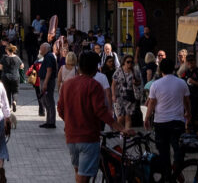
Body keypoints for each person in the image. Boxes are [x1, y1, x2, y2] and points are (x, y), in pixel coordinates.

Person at [57, 51, 130, 183]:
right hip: (88, 137)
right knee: (84, 176)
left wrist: (71, 121)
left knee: (78, 171)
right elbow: (101, 112)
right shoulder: (93, 85)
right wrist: (121, 128)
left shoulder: (67, 84)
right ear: (95, 67)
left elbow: (60, 109)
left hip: (71, 137)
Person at [145, 57, 190, 180]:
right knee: (178, 148)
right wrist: (188, 114)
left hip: (161, 122)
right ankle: (176, 167)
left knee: (163, 151)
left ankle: (167, 173)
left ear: (160, 70)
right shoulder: (182, 83)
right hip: (177, 121)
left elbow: (152, 104)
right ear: (173, 69)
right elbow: (187, 101)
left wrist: (146, 118)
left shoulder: (155, 84)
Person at [112, 55, 141, 131]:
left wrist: (135, 82)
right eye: (128, 62)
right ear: (124, 62)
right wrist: (113, 95)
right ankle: (121, 132)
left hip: (130, 96)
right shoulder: (119, 71)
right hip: (119, 96)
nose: (130, 64)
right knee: (120, 117)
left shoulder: (135, 71)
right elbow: (113, 84)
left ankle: (126, 134)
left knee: (128, 116)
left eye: (131, 62)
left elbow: (139, 82)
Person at [38, 43, 58, 129]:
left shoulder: (49, 57)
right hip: (45, 80)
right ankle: (48, 121)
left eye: (41, 48)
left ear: (45, 49)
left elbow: (49, 70)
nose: (40, 50)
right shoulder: (47, 56)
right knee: (45, 101)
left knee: (49, 101)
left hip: (48, 82)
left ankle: (51, 122)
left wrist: (45, 83)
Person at [0, 44, 23, 110]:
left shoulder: (4, 58)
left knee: (7, 92)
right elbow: (22, 66)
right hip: (15, 77)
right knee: (15, 91)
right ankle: (14, 101)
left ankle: (8, 106)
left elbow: (0, 67)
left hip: (5, 77)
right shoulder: (17, 58)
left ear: (7, 50)